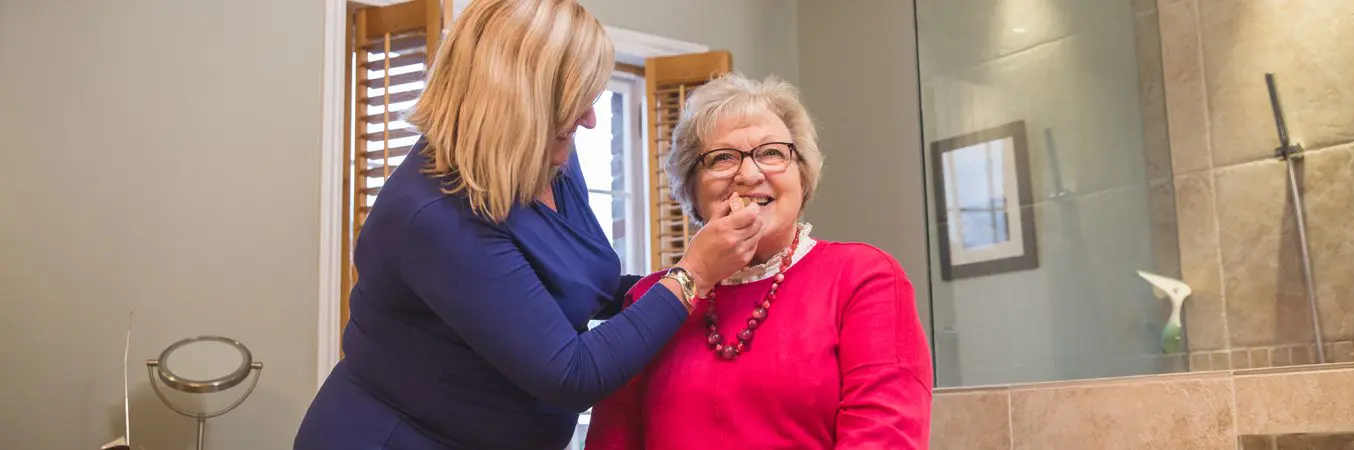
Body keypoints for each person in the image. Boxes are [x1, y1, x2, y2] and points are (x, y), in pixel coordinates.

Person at [293, 1, 767, 449]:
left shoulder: (547, 154)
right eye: (576, 102)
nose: (590, 120)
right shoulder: (432, 214)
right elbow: (571, 374)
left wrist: (708, 276)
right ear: (519, 101)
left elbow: (581, 286)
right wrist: (692, 276)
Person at [584, 73, 934, 449]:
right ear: (692, 186)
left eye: (771, 153)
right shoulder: (650, 299)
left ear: (801, 173)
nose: (749, 175)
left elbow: (884, 437)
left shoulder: (863, 278)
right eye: (722, 158)